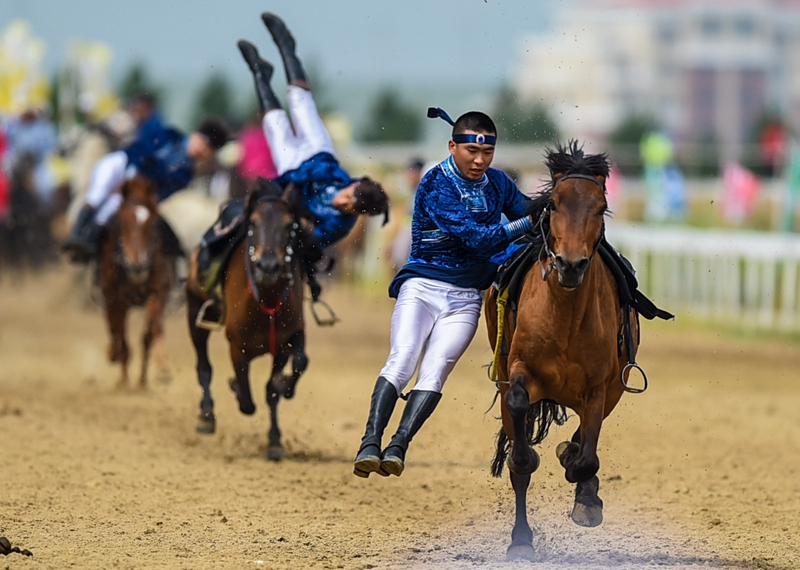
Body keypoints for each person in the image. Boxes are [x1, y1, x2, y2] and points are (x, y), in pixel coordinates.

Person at [353, 108, 533, 478]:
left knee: (434, 374)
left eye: (488, 153)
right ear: (453, 146)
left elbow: (530, 211)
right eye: (472, 152)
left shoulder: (498, 184)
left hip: (466, 298)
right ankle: (370, 441)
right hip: (422, 289)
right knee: (403, 362)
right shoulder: (435, 183)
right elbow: (479, 239)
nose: (480, 161)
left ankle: (398, 445)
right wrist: (533, 221)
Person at [236, 13, 389, 300]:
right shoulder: (347, 181)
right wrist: (285, 184)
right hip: (318, 151)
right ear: (356, 184)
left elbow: (312, 240)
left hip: (290, 162)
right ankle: (285, 44)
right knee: (299, 99)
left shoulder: (339, 225)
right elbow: (311, 175)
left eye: (351, 205)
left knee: (274, 118)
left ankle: (259, 71)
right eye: (351, 193)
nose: (345, 200)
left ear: (357, 212)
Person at [62, 95, 230, 262]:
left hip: (136, 188)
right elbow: (142, 150)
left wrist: (146, 200)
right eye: (202, 142)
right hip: (121, 165)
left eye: (208, 149)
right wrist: (129, 177)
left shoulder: (186, 175)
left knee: (112, 207)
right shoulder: (168, 135)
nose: (201, 149)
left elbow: (162, 194)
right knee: (97, 195)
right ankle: (76, 234)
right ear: (195, 135)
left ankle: (88, 244)